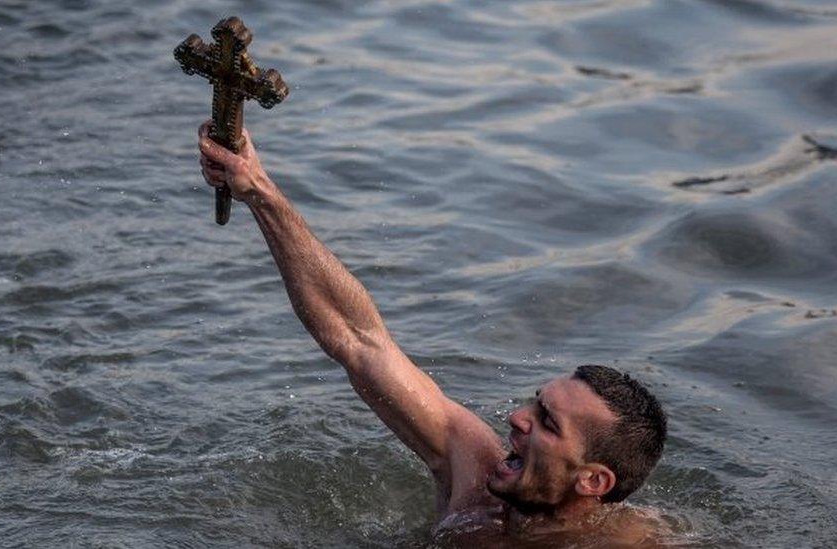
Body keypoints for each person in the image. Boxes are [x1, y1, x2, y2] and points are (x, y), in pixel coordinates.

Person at [196, 121, 669, 547]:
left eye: (547, 423)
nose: (518, 418)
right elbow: (359, 341)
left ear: (593, 482)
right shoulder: (475, 477)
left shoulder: (635, 543)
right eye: (536, 403)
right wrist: (259, 191)